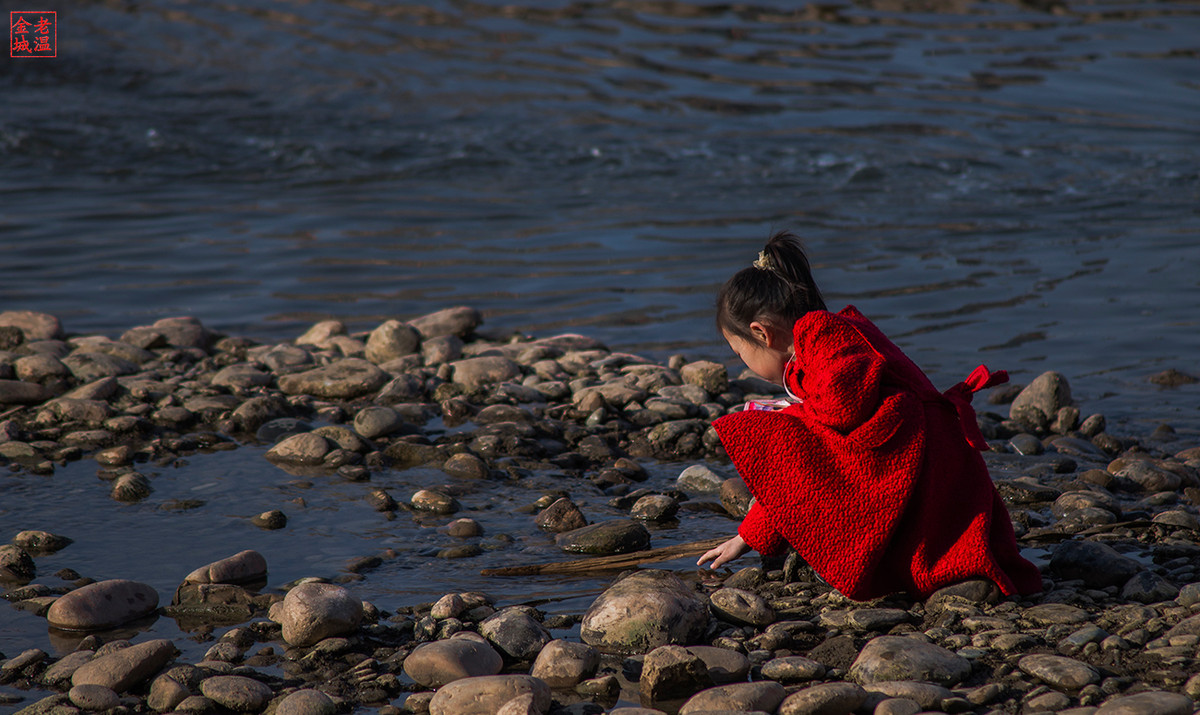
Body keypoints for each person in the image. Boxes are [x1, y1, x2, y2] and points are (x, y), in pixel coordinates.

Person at [696, 231, 1042, 601]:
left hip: (927, 459)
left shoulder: (821, 333)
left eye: (739, 353)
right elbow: (816, 454)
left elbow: (842, 411)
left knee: (771, 433)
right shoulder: (825, 333)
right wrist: (748, 537)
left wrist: (791, 416)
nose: (743, 366)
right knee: (793, 434)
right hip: (931, 455)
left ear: (761, 334)